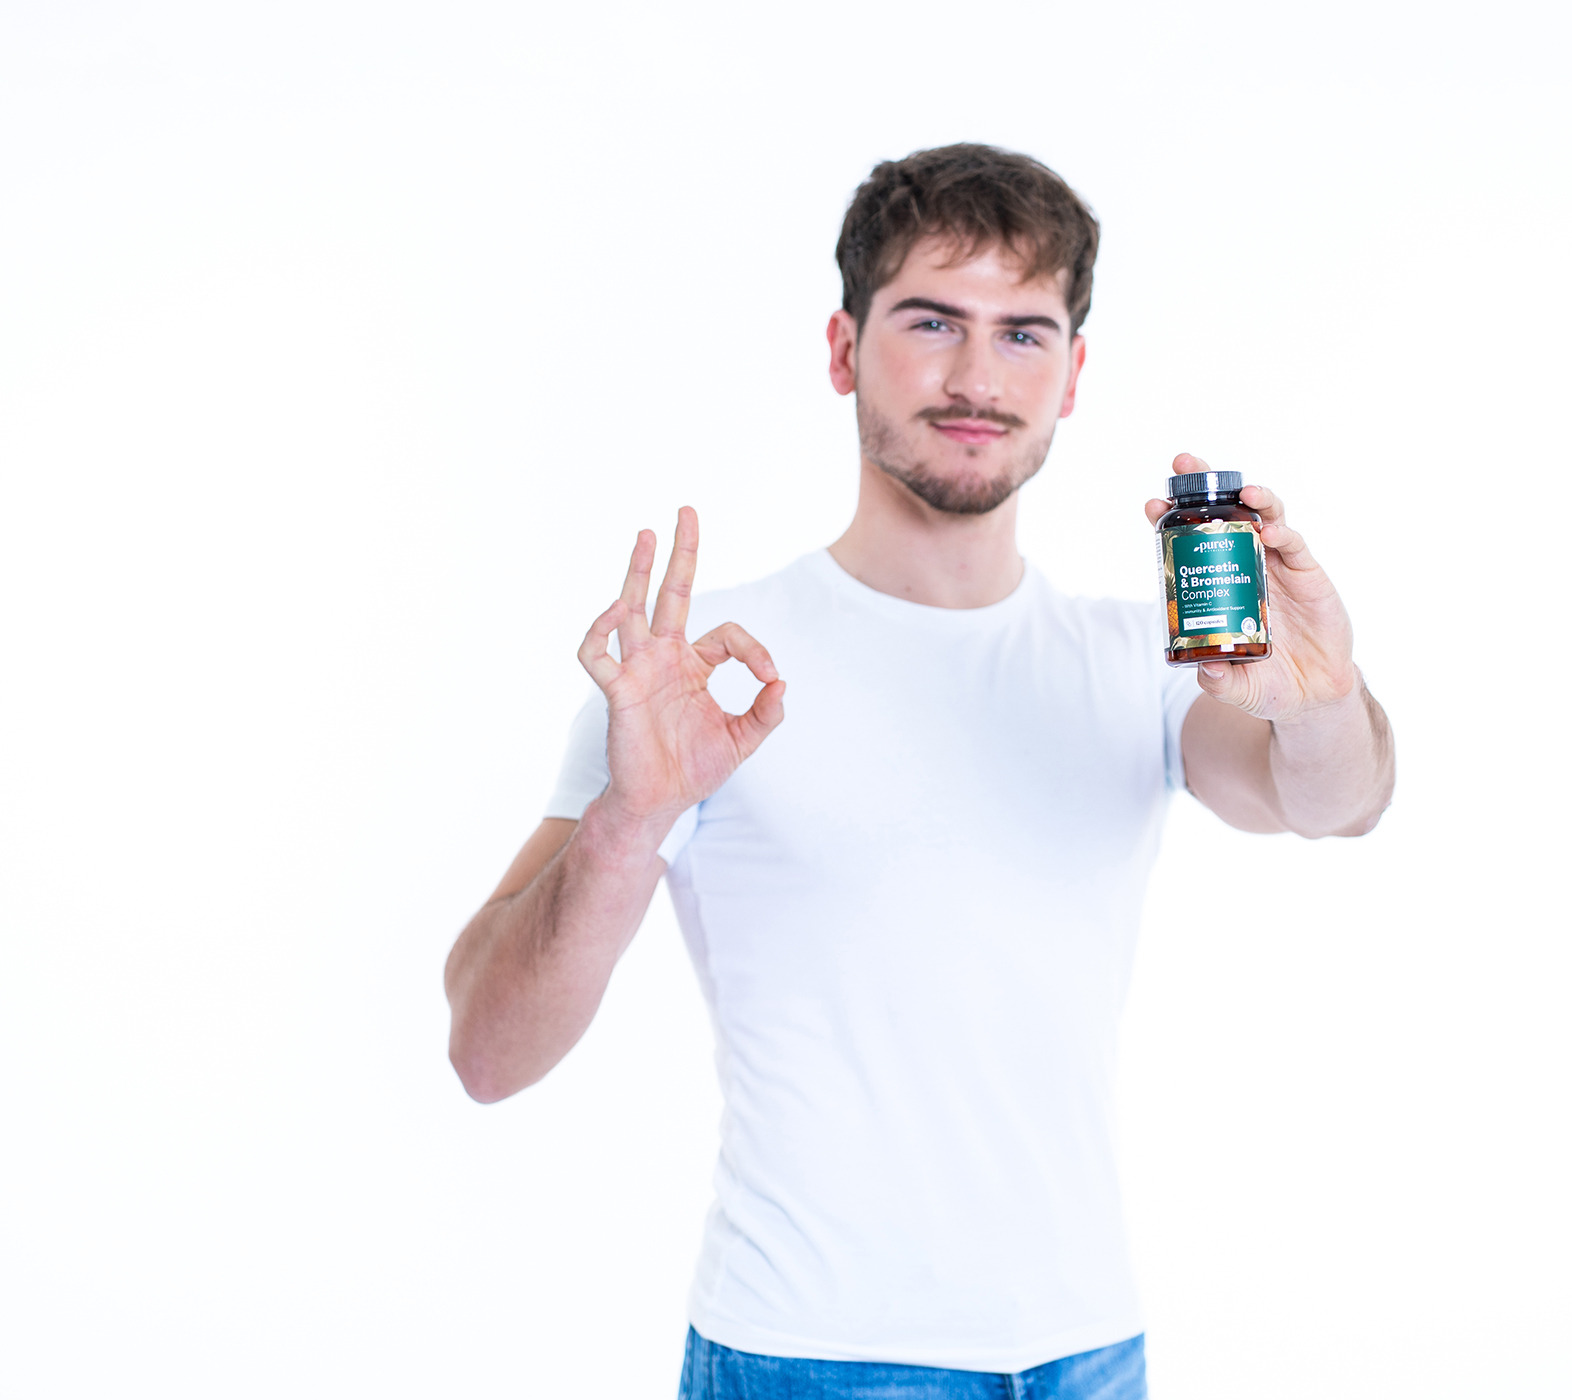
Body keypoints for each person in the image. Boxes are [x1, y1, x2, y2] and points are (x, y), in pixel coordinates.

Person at [443, 143, 1395, 1399]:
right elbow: (488, 1051)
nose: (976, 377)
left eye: (1022, 333)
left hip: (1086, 1353)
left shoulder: (1141, 661)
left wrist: (1322, 700)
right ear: (844, 348)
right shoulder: (696, 671)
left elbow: (1330, 799)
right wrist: (631, 816)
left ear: (1073, 372)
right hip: (806, 1356)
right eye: (933, 320)